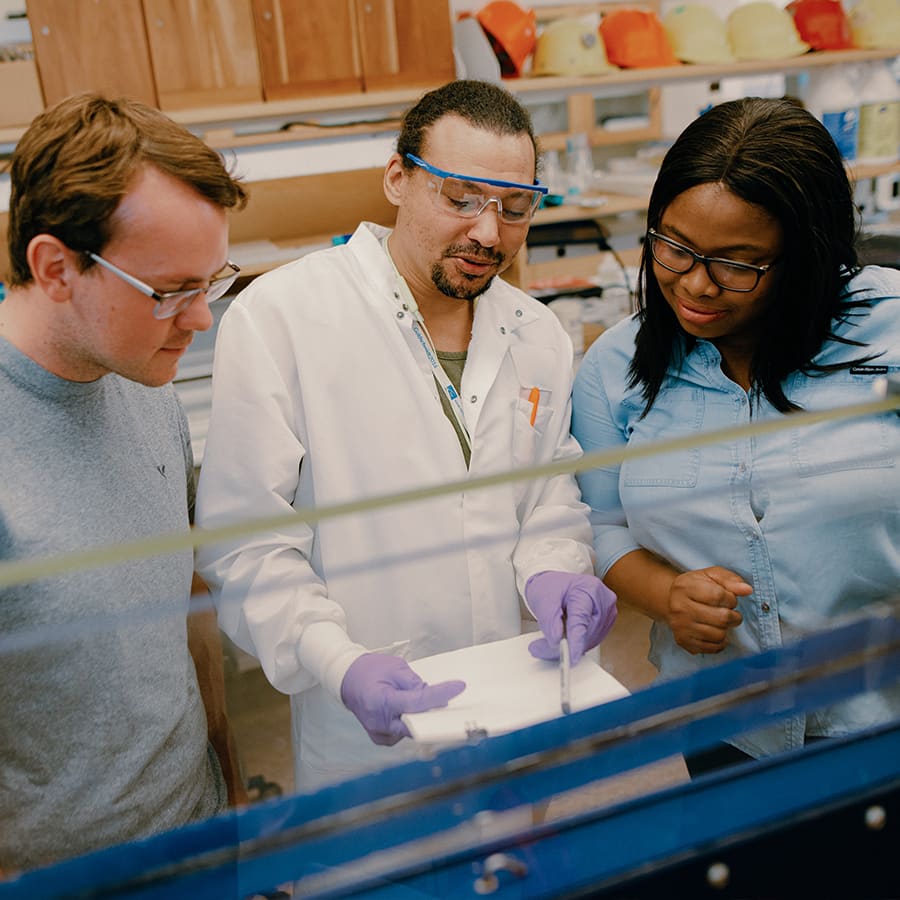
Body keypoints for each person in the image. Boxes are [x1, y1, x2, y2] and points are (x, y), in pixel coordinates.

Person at [195, 79, 617, 789]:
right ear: (397, 178)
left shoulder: (537, 332)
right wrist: (338, 660)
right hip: (364, 733)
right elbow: (248, 543)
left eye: (516, 208)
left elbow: (548, 494)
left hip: (522, 701)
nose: (489, 233)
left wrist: (554, 569)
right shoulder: (282, 317)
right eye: (461, 199)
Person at [571, 96, 900, 775]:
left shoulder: (888, 335)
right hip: (724, 719)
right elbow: (602, 525)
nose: (695, 284)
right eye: (673, 246)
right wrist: (667, 596)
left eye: (738, 263)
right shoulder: (615, 369)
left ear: (805, 257)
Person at [0, 92, 248, 873]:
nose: (201, 318)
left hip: (199, 835)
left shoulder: (147, 390)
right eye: (172, 290)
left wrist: (228, 785)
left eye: (213, 281)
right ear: (56, 267)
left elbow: (187, 610)